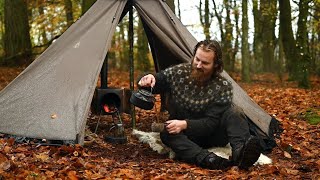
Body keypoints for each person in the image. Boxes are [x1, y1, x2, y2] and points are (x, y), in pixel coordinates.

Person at [137, 40, 261, 170]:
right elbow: (158, 80)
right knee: (166, 133)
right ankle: (207, 159)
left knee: (235, 112)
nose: (198, 65)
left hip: (214, 135)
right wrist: (148, 78)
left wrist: (185, 124)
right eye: (197, 59)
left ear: (215, 65)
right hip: (188, 137)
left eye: (205, 63)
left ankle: (240, 154)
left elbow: (210, 124)